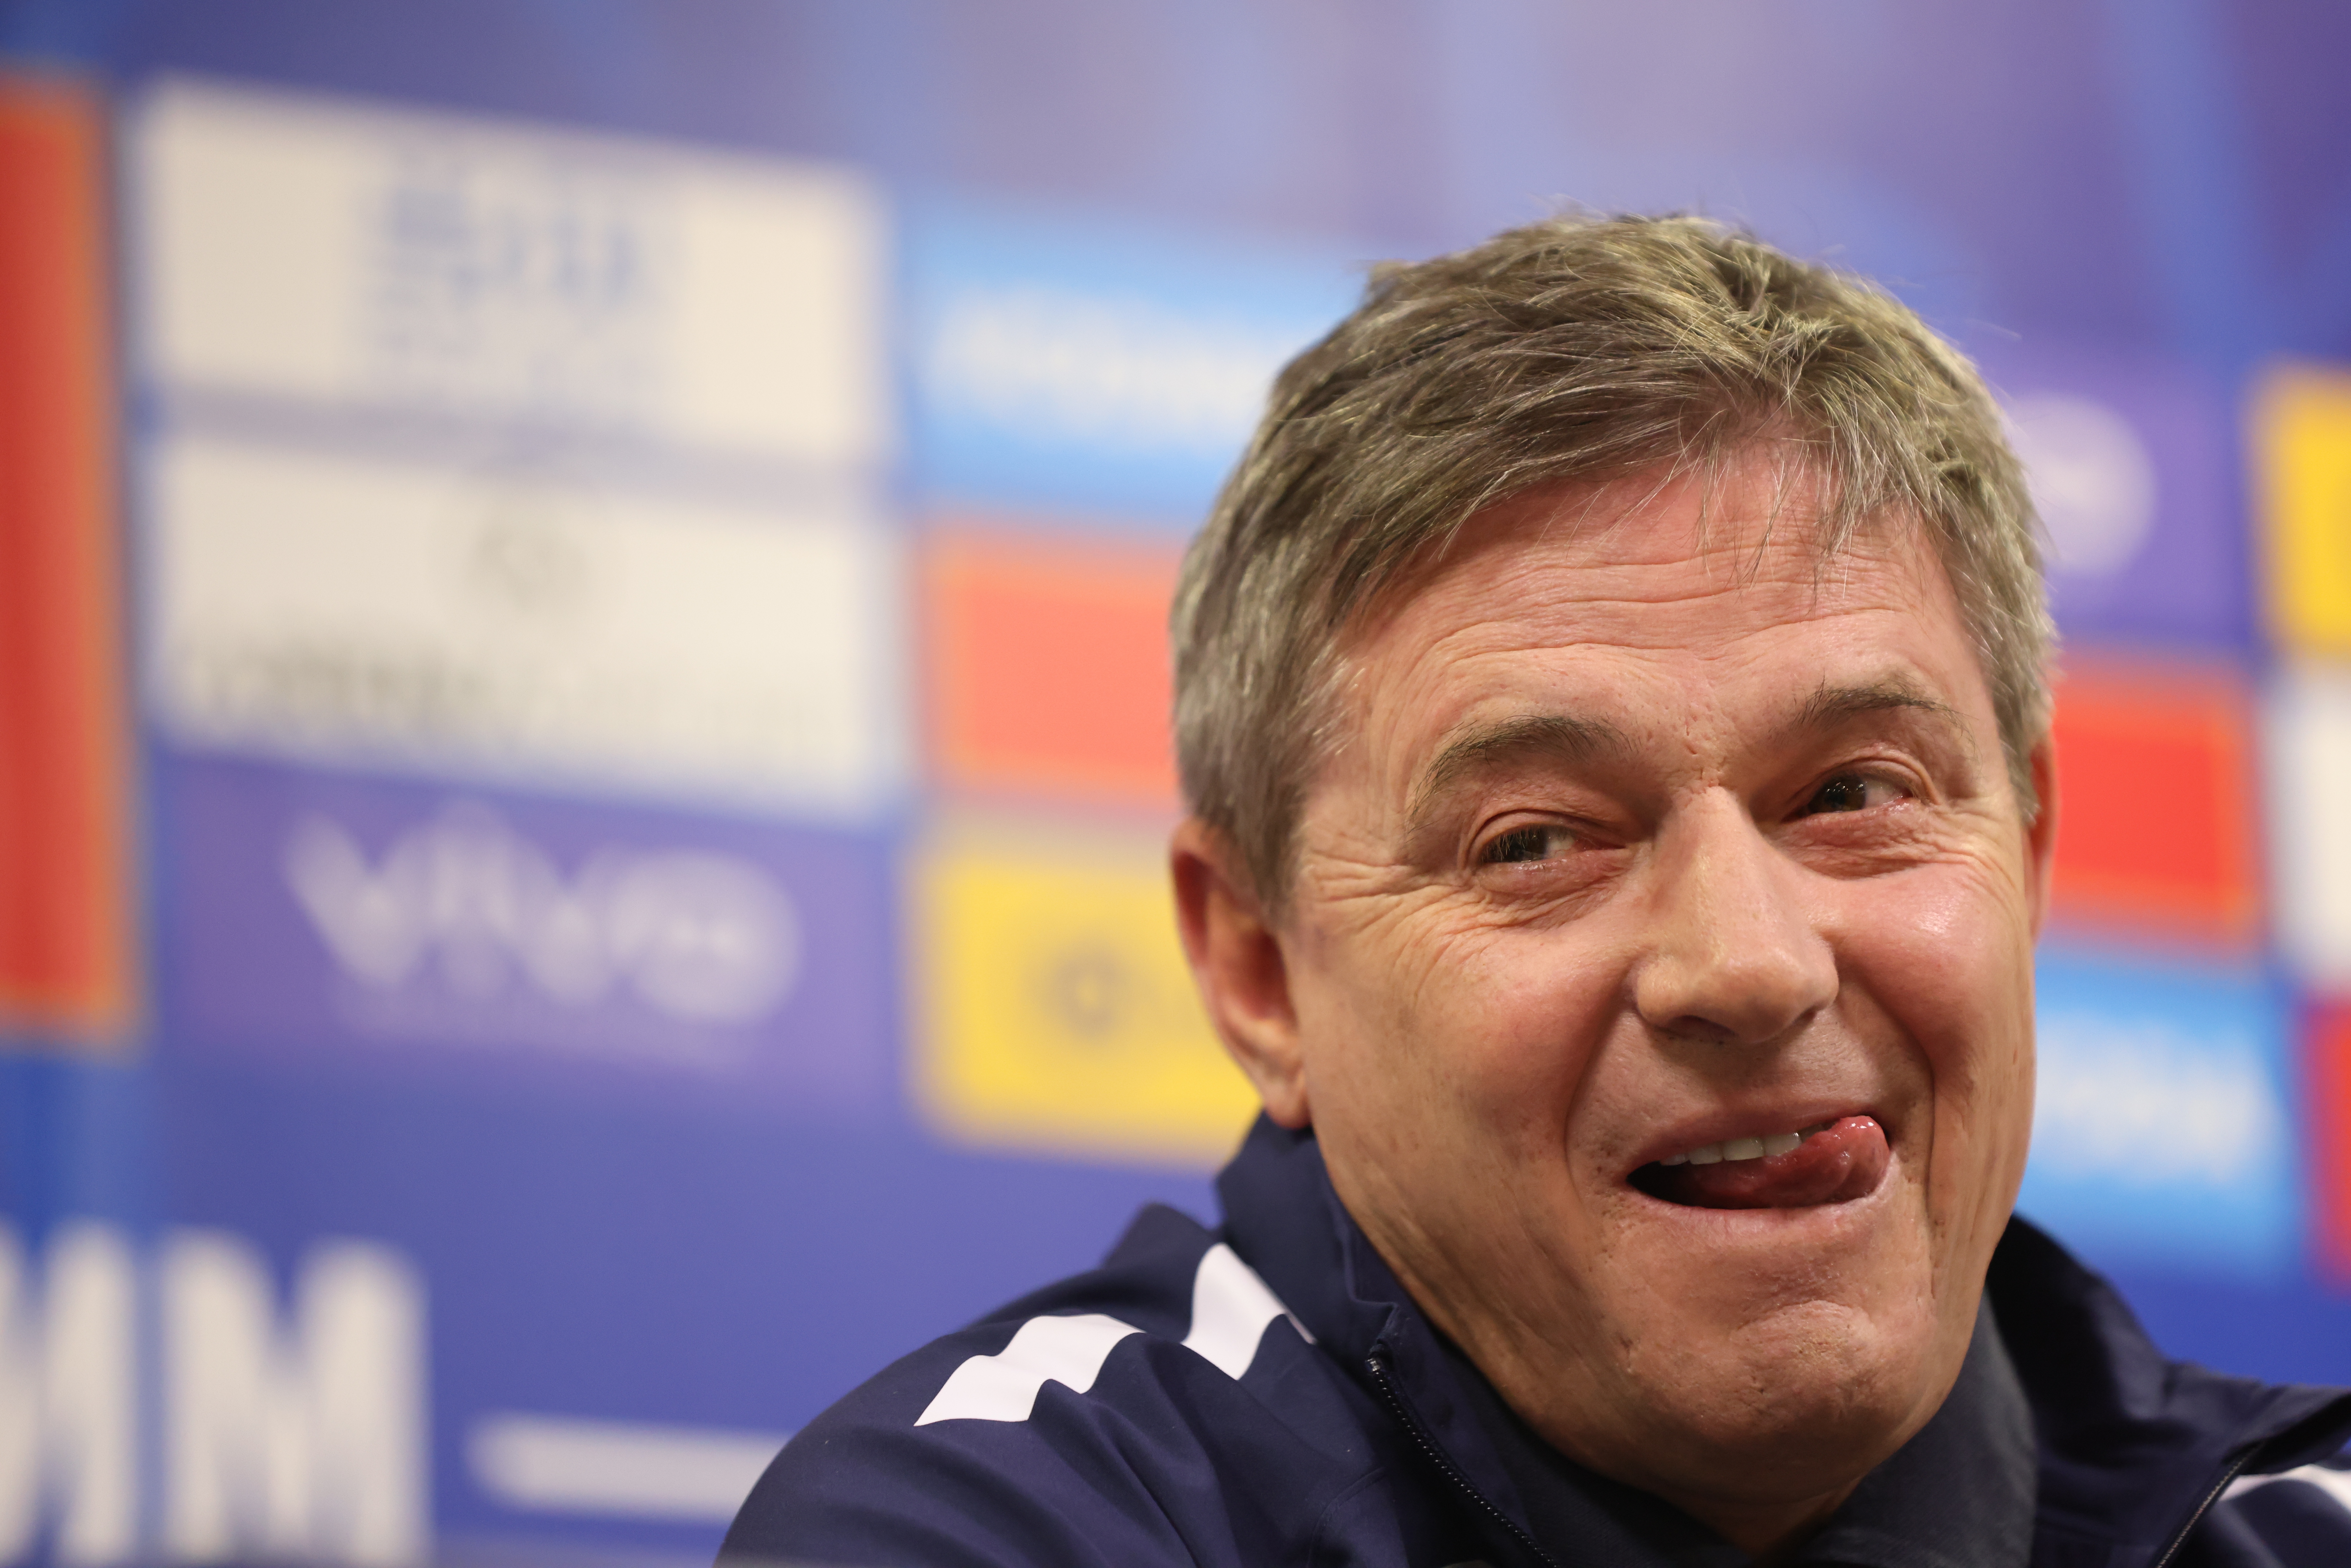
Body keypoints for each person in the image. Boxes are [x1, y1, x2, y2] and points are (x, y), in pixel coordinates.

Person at [721, 215, 2351, 1567]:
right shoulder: (1007, 1532)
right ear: (1260, 971)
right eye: (1538, 840)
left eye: (1854, 793)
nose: (1750, 962)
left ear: (2032, 847)